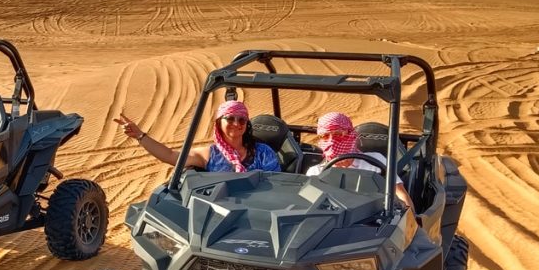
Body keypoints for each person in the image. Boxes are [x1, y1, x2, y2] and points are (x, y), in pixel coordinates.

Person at [115, 100, 281, 173]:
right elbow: (170, 156)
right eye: (230, 118)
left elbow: (276, 186)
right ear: (219, 123)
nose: (236, 123)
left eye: (242, 119)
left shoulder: (263, 153)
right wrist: (140, 136)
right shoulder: (210, 154)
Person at [305, 112, 414, 210]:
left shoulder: (375, 161)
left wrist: (410, 222)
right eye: (325, 136)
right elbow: (308, 207)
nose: (331, 141)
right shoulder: (315, 172)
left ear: (350, 134)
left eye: (338, 134)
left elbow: (400, 194)